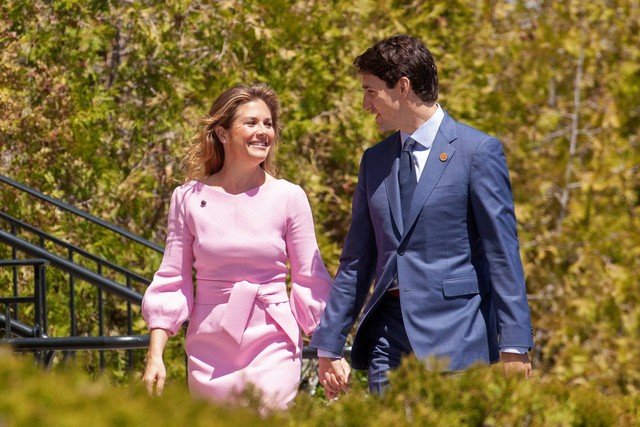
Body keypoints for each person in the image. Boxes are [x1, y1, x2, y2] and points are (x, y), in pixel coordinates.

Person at [310, 35, 534, 396]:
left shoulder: (478, 152)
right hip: (387, 337)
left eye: (371, 91)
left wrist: (514, 344)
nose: (366, 104)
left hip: (457, 337)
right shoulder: (374, 161)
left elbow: (502, 253)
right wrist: (329, 343)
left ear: (402, 87)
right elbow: (357, 260)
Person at [141, 83, 344, 410]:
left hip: (273, 343)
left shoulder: (289, 197)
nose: (263, 131)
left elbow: (311, 281)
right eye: (251, 122)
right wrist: (155, 355)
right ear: (222, 133)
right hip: (210, 348)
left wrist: (327, 351)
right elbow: (172, 280)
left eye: (268, 124)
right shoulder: (188, 198)